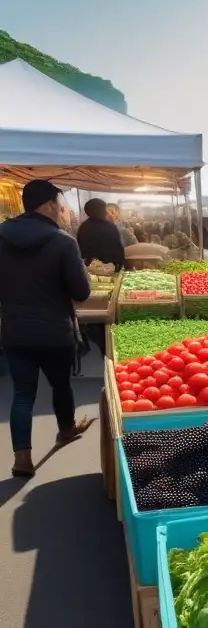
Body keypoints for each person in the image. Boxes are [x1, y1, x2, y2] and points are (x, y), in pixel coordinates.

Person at [0, 180, 94, 477]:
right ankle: (66, 430)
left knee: (23, 393)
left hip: (15, 329)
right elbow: (81, 292)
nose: (61, 210)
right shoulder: (63, 241)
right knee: (60, 384)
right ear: (49, 204)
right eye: (59, 204)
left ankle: (22, 458)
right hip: (55, 330)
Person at [76, 198, 126, 271]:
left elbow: (80, 249)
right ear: (101, 210)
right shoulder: (110, 227)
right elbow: (118, 250)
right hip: (108, 269)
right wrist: (120, 266)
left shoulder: (83, 227)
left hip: (89, 268)